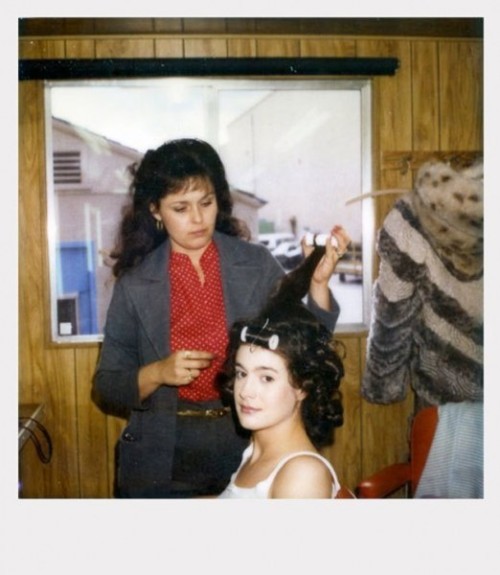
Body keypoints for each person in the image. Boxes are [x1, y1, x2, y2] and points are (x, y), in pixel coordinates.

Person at [92, 137, 351, 498]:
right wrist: (159, 372)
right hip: (163, 452)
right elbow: (106, 385)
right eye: (180, 208)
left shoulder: (255, 265)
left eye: (206, 203)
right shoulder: (136, 284)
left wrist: (319, 285)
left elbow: (308, 350)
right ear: (155, 211)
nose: (197, 219)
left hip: (244, 441)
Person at [217, 247, 346, 498]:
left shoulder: (302, 475)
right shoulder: (254, 451)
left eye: (266, 377)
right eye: (242, 373)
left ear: (303, 386)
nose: (245, 392)